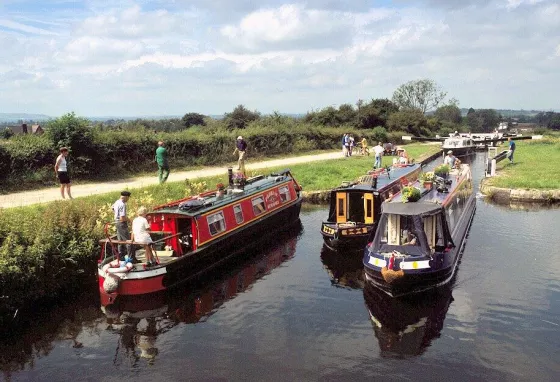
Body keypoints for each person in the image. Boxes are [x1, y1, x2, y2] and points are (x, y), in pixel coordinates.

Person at [113, 191, 134, 261]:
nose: (128, 199)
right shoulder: (122, 204)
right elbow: (122, 217)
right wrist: (130, 220)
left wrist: (116, 214)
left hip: (116, 222)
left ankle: (120, 257)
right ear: (126, 197)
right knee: (128, 241)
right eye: (128, 198)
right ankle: (131, 258)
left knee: (120, 241)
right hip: (122, 223)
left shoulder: (116, 202)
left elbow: (112, 208)